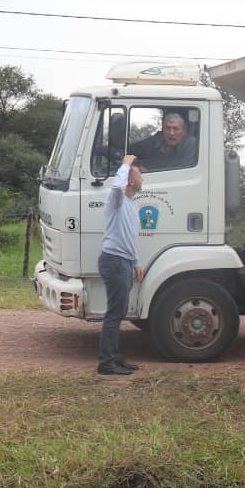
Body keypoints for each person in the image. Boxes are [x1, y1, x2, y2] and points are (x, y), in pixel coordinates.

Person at [97, 156, 146, 376]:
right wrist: (125, 164)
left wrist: (135, 262)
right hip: (114, 261)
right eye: (139, 175)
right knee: (114, 314)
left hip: (123, 262)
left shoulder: (130, 205)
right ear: (130, 181)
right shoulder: (116, 199)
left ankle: (114, 358)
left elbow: (129, 238)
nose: (142, 178)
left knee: (118, 312)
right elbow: (116, 186)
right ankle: (107, 363)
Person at [130, 111, 198, 171]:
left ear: (183, 131)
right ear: (163, 130)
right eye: (168, 128)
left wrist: (149, 171)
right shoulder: (156, 140)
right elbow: (131, 150)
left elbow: (184, 173)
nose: (171, 133)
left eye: (176, 129)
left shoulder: (191, 144)